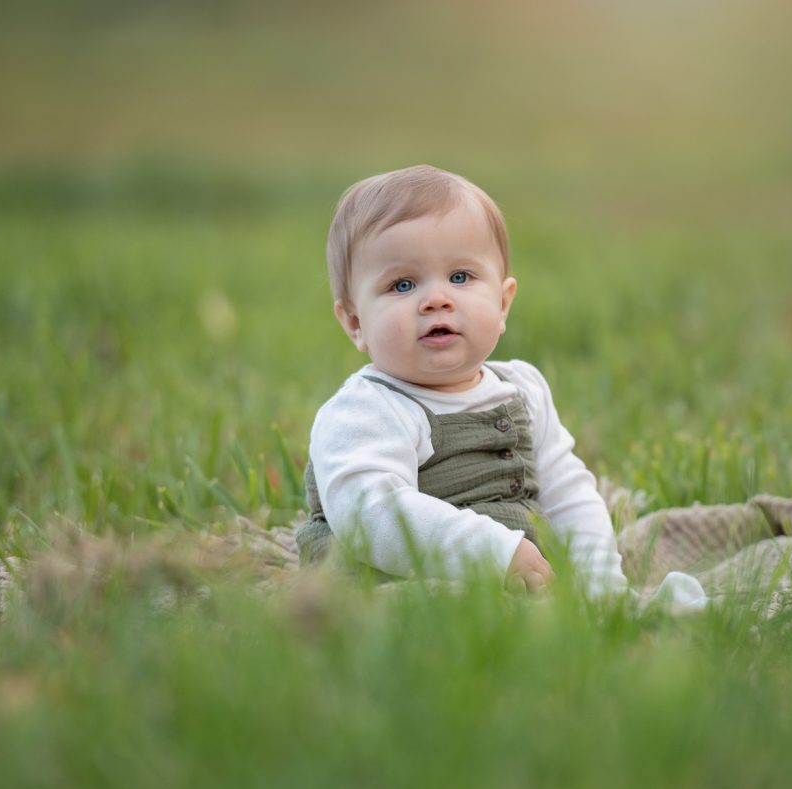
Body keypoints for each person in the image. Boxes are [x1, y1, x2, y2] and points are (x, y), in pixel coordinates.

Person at [298, 164, 702, 605]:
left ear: (503, 302)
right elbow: (370, 515)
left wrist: (599, 580)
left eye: (460, 277)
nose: (437, 299)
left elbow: (569, 495)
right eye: (403, 284)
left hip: (520, 579)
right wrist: (494, 553)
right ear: (355, 322)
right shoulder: (367, 409)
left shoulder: (523, 390)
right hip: (396, 580)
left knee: (572, 606)